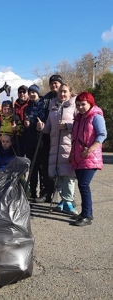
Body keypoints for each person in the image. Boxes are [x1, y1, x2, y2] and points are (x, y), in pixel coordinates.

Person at [36, 83, 78, 215]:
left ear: (70, 93)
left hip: (69, 145)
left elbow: (79, 123)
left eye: (65, 91)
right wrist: (41, 127)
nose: (62, 94)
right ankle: (62, 201)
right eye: (60, 92)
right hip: (55, 146)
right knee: (58, 175)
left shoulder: (74, 106)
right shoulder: (53, 107)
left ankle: (69, 202)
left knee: (69, 176)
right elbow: (48, 128)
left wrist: (67, 126)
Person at [69, 92, 107, 226]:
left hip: (90, 156)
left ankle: (87, 215)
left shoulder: (96, 117)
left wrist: (90, 149)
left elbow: (102, 134)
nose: (80, 107)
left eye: (83, 104)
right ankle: (85, 212)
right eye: (78, 105)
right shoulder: (79, 118)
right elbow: (75, 139)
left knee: (84, 184)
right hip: (79, 157)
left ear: (91, 103)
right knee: (82, 185)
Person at [36, 75, 64, 203]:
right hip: (47, 135)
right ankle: (47, 192)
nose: (54, 86)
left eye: (56, 83)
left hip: (62, 136)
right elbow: (40, 113)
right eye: (52, 83)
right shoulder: (46, 98)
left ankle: (65, 197)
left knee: (64, 167)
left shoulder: (66, 97)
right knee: (46, 166)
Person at [23, 84, 47, 200]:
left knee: (42, 169)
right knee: (32, 168)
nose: (32, 94)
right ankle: (32, 192)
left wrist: (42, 124)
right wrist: (26, 124)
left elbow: (48, 120)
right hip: (30, 142)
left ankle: (43, 193)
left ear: (38, 93)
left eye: (34, 92)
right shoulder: (27, 108)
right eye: (30, 92)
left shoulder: (44, 105)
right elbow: (26, 122)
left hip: (42, 141)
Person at [13, 85, 29, 156]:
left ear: (27, 93)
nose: (21, 93)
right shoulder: (14, 105)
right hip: (18, 134)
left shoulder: (30, 103)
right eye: (20, 92)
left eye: (24, 92)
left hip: (29, 133)